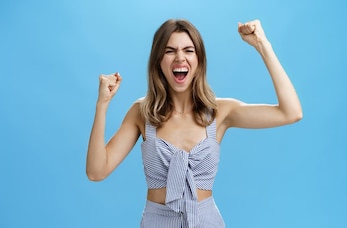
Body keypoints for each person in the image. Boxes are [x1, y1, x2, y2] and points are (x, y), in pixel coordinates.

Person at [86, 18, 303, 228]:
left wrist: (262, 45)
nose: (180, 58)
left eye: (188, 50)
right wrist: (102, 105)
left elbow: (290, 112)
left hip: (206, 221)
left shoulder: (221, 112)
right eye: (170, 51)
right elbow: (97, 171)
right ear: (158, 61)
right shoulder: (142, 113)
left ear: (199, 60)